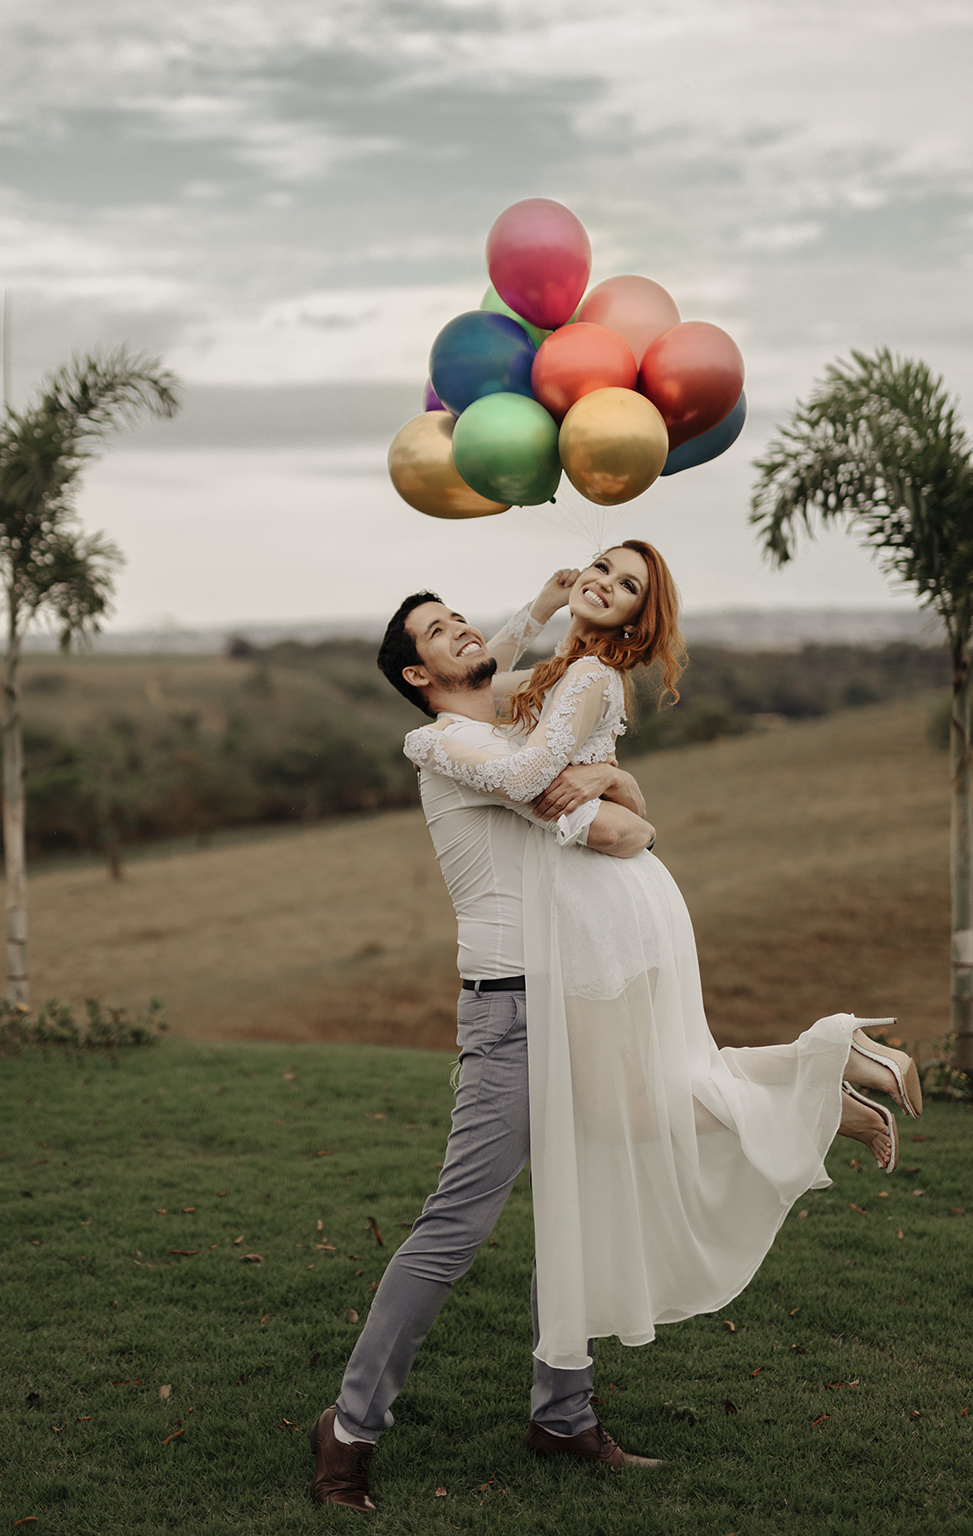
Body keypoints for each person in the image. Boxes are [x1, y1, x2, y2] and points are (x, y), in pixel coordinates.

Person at [403, 541, 923, 1375]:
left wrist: (606, 783)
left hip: (599, 902)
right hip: (601, 895)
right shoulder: (558, 672)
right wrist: (538, 610)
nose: (604, 584)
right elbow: (472, 687)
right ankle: (827, 1077)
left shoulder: (587, 678)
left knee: (630, 1106)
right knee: (645, 1094)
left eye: (627, 586)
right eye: (601, 568)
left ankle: (827, 1074)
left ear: (638, 618)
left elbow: (530, 767)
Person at [310, 576, 662, 1514]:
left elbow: (498, 665)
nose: (464, 628)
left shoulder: (498, 722)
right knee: (454, 1229)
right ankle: (346, 1430)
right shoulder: (449, 742)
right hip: (507, 1007)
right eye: (438, 631)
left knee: (575, 1213)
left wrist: (538, 614)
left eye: (460, 615)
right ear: (417, 673)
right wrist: (625, 801)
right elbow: (568, 803)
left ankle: (563, 1413)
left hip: (570, 994)